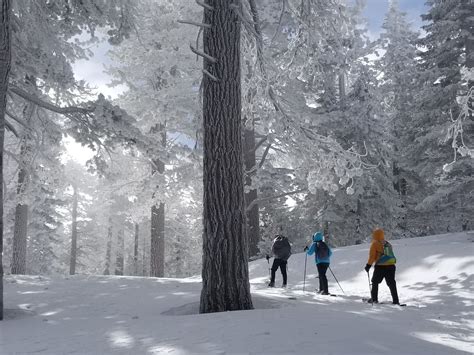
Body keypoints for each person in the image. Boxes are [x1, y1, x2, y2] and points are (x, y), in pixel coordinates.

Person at [364, 228, 400, 304]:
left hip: (380, 267)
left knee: (375, 282)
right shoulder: (387, 243)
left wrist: (368, 265)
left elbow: (372, 256)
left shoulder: (375, 244)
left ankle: (374, 299)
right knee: (391, 283)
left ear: (374, 235)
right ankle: (396, 301)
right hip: (391, 266)